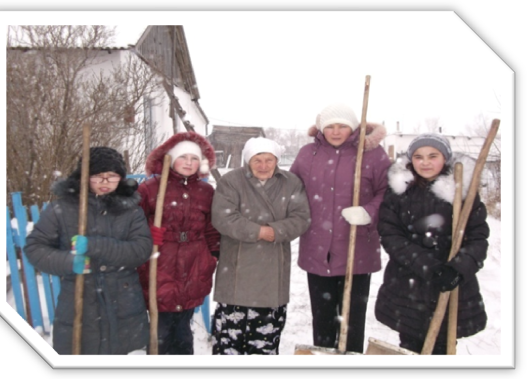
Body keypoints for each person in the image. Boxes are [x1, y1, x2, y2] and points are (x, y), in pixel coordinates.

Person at [24, 147, 152, 355]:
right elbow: (35, 248)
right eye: (97, 176)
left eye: (112, 176)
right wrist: (68, 261)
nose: (105, 182)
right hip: (78, 299)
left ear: (121, 178)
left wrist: (96, 245)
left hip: (124, 302)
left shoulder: (130, 210)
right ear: (84, 177)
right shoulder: (63, 208)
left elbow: (141, 250)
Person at [289, 102, 391, 353]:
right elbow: (290, 190)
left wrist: (369, 212)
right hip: (317, 248)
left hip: (357, 249)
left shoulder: (373, 154)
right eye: (330, 127)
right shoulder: (307, 154)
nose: (335, 132)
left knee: (351, 322)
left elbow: (388, 192)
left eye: (342, 126)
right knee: (322, 319)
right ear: (321, 129)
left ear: (353, 128)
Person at [374, 133, 490, 354]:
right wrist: (428, 266)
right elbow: (390, 234)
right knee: (410, 345)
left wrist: (457, 269)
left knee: (444, 347)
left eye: (432, 156)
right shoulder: (400, 191)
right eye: (418, 157)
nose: (425, 162)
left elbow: (478, 237)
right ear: (411, 160)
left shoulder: (462, 192)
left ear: (445, 158)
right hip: (408, 285)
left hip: (451, 284)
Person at [210, 137, 311, 355]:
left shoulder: (291, 182)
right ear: (248, 161)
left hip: (272, 267)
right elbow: (223, 218)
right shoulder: (231, 181)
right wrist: (259, 232)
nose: (263, 166)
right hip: (236, 269)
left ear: (276, 160)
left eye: (269, 160)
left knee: (264, 341)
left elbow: (301, 218)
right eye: (258, 160)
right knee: (229, 341)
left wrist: (276, 231)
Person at [136, 132, 220, 355]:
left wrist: (213, 256)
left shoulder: (206, 191)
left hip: (194, 263)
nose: (189, 163)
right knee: (161, 329)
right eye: (183, 158)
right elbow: (132, 223)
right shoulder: (150, 188)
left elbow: (211, 228)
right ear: (171, 159)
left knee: (183, 329)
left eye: (194, 159)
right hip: (160, 262)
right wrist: (146, 235)